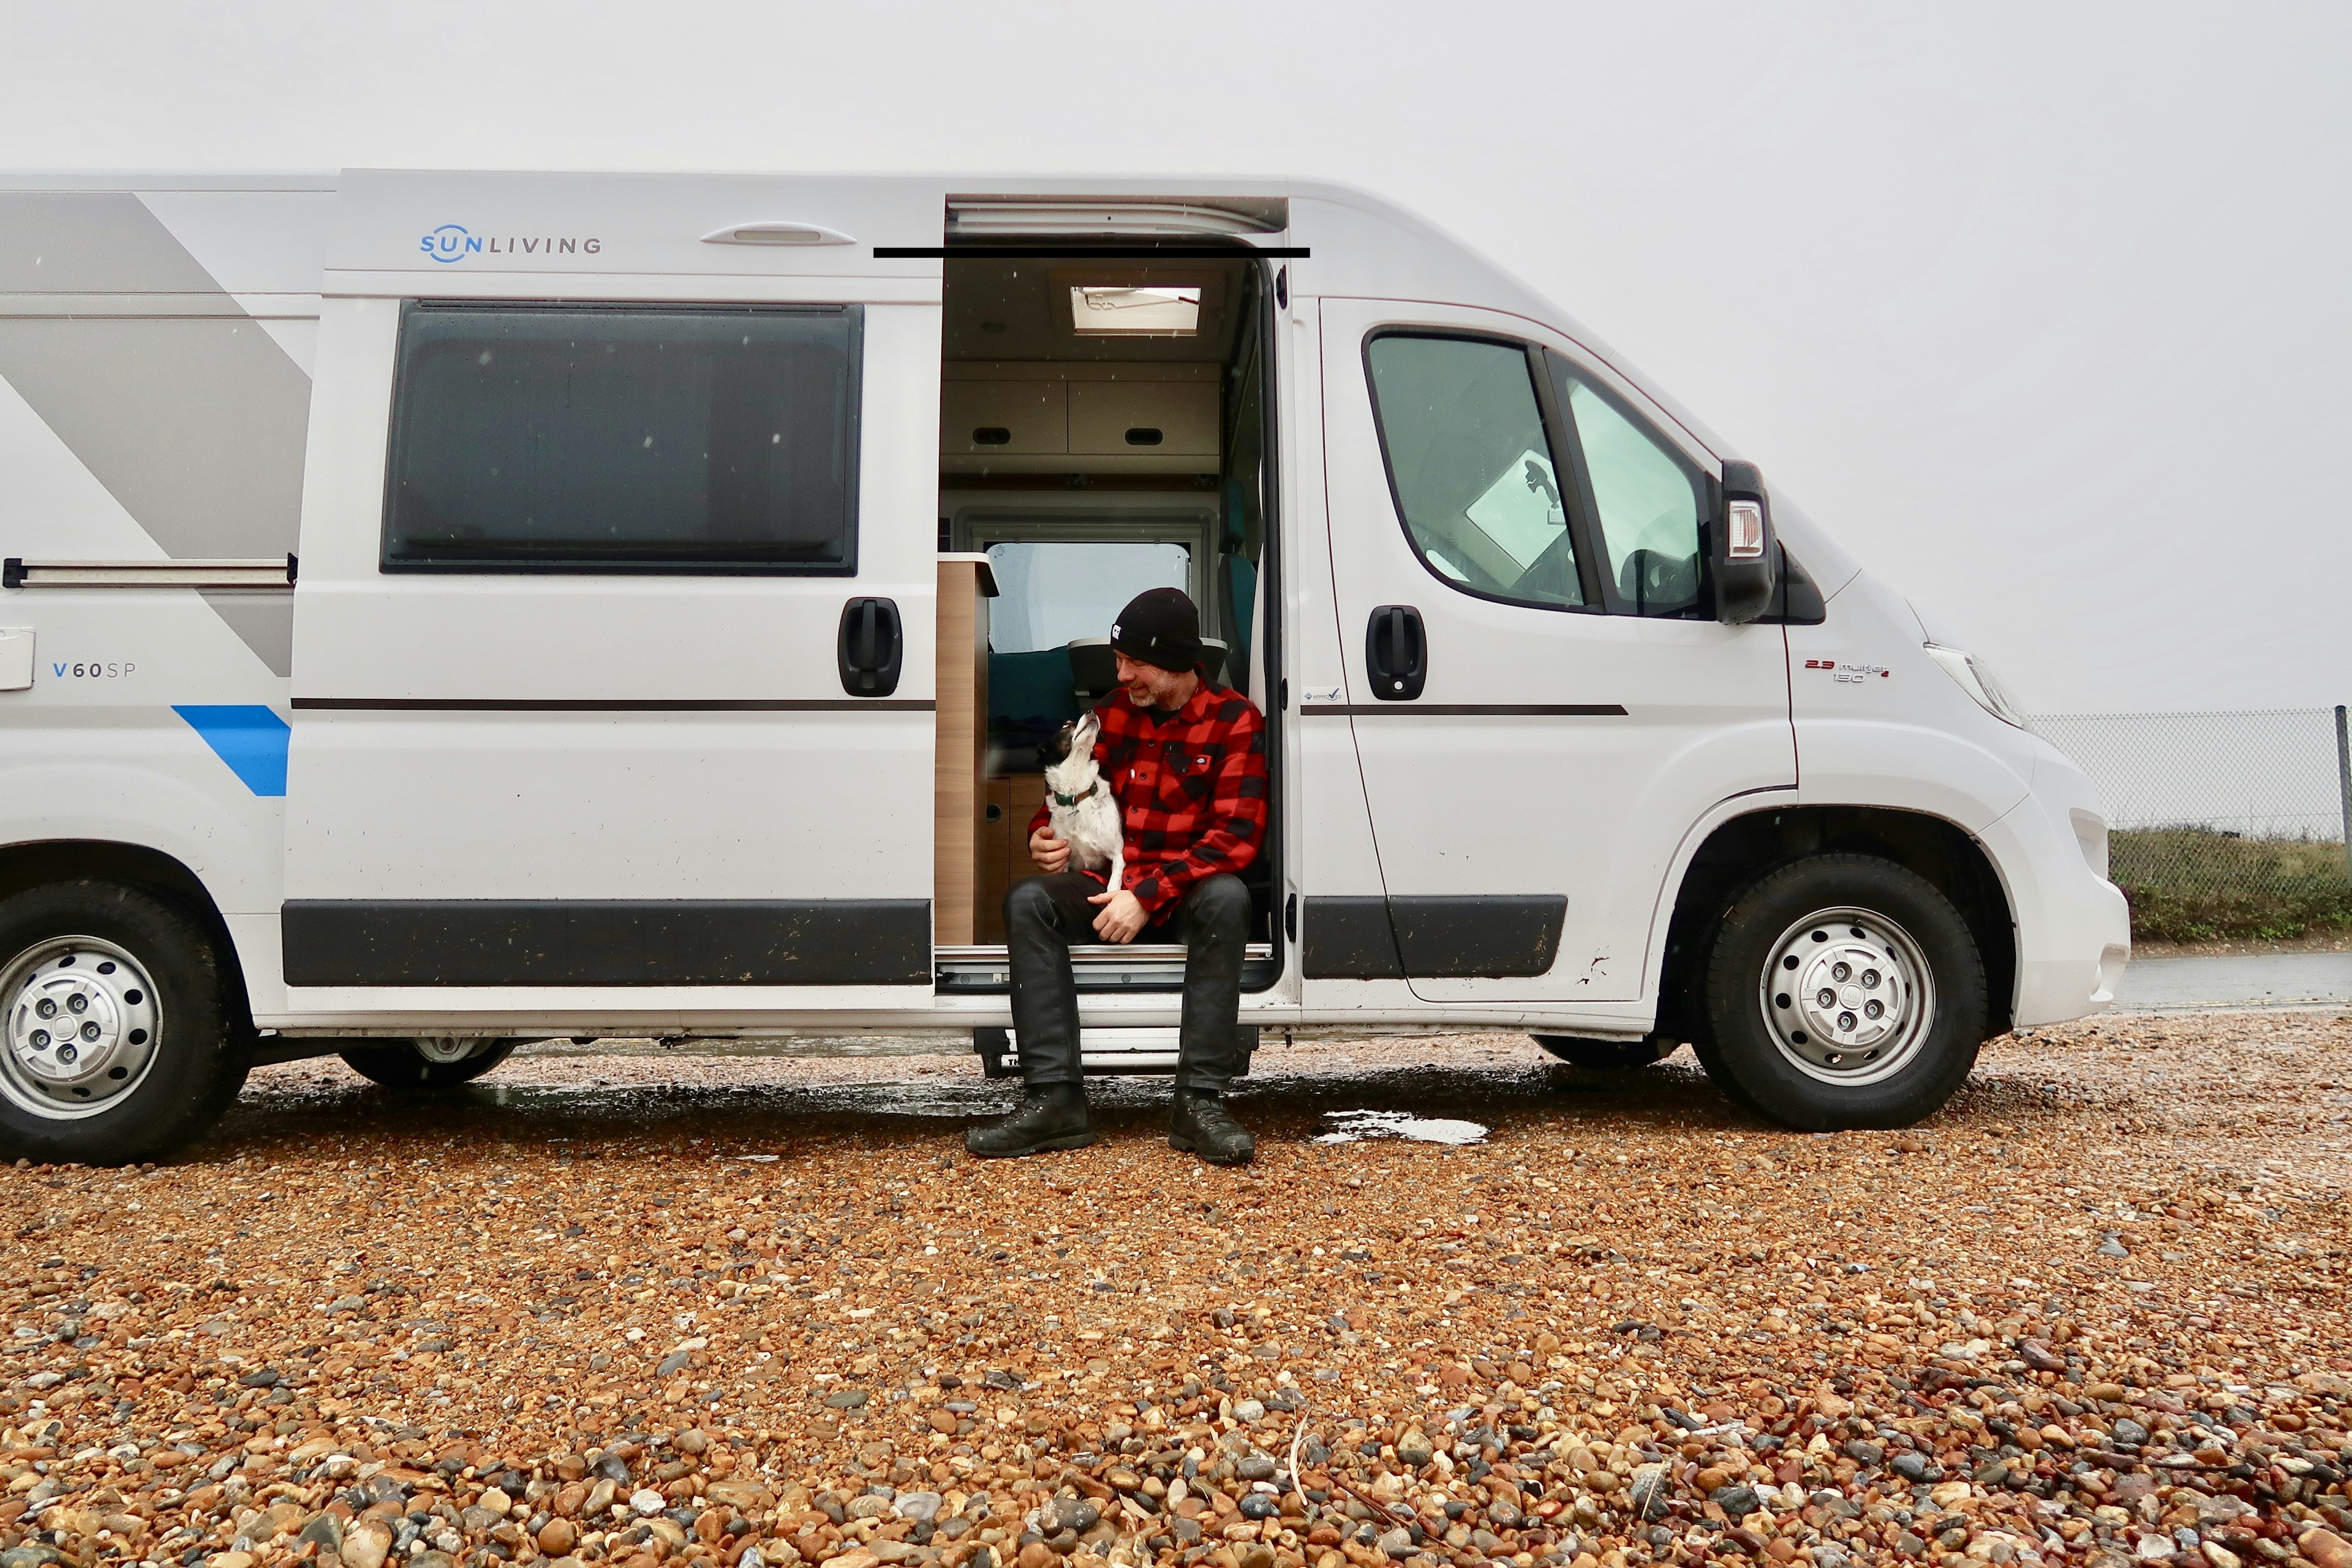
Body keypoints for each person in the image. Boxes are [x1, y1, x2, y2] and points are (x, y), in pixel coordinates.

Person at [967, 587, 1267, 1165]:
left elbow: (1237, 838)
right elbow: (1066, 792)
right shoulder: (1109, 712)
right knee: (1030, 899)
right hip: (1105, 887)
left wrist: (1146, 896)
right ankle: (1055, 1101)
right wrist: (1044, 835)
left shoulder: (1235, 720)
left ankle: (1198, 1104)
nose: (1123, 674)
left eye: (1136, 663)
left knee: (1229, 899)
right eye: (1119, 660)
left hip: (1183, 892)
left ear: (1180, 662)